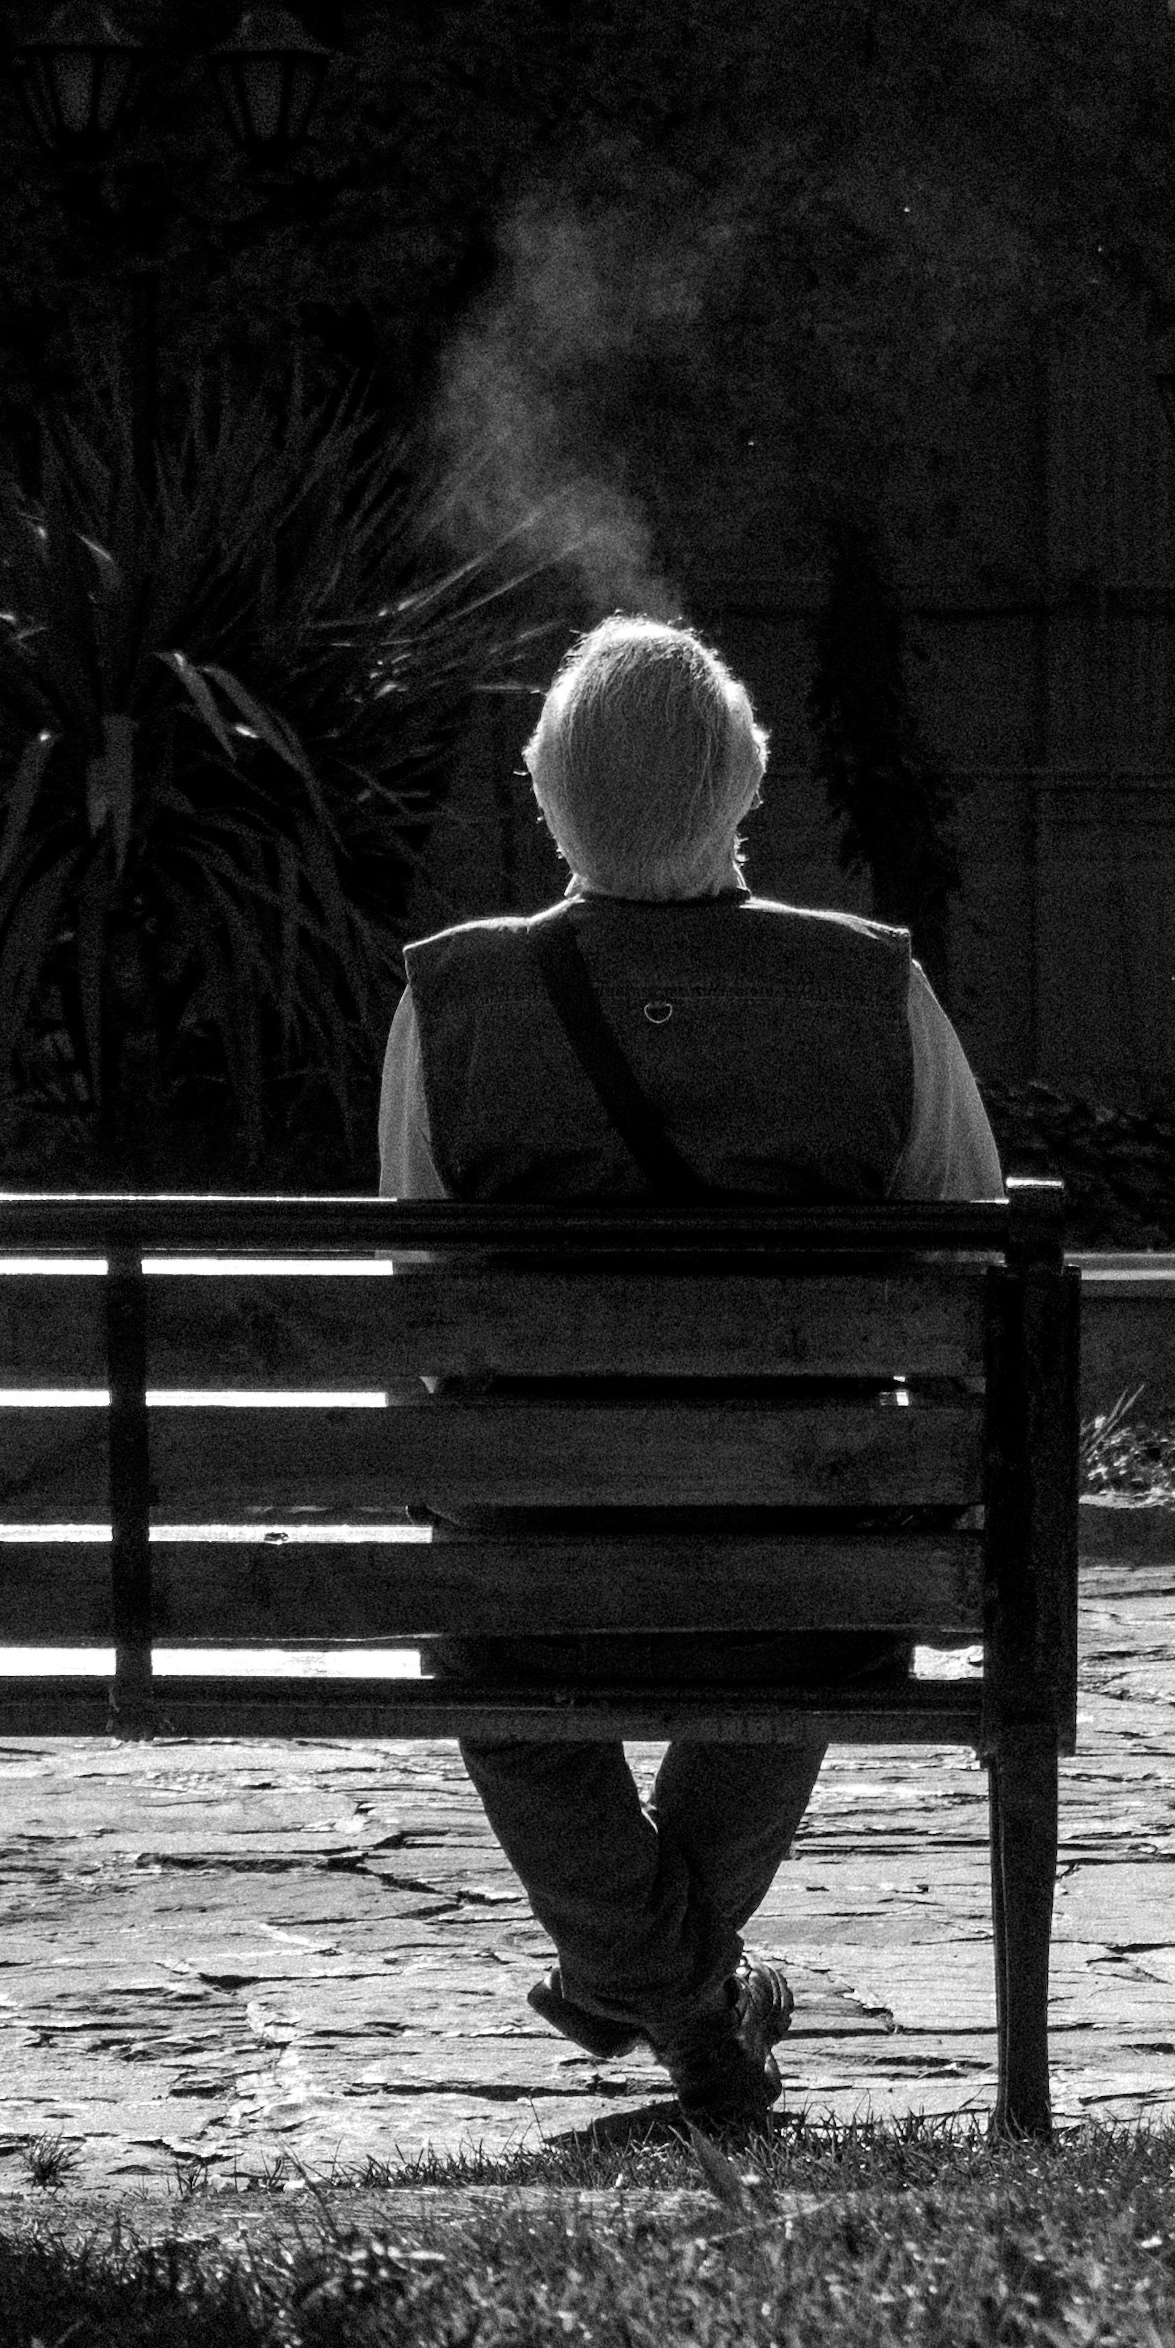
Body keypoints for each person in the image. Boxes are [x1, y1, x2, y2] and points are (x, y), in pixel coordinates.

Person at [377, 612, 1002, 2133]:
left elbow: (415, 1271)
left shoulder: (451, 999)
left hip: (535, 1557)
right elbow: (976, 1257)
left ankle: (649, 1987)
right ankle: (687, 1996)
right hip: (798, 1564)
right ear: (744, 789)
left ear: (548, 797)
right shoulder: (872, 990)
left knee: (496, 1669)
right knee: (815, 1631)